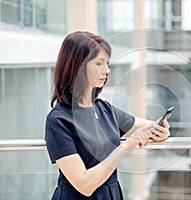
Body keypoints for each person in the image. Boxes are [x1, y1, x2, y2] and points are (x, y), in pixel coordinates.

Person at [44, 31, 170, 199]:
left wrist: (162, 132)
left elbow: (148, 126)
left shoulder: (104, 109)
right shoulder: (59, 120)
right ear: (78, 66)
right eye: (99, 64)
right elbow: (84, 185)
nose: (107, 70)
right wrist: (125, 147)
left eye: (107, 63)